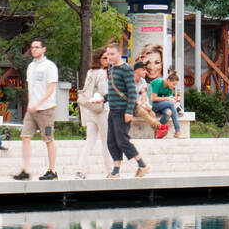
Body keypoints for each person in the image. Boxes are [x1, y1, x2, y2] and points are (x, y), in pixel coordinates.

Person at [14, 37, 59, 180]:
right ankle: (25, 170)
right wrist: (29, 104)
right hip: (31, 109)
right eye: (32, 47)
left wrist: (38, 104)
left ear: (43, 49)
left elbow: (50, 89)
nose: (34, 50)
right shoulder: (31, 67)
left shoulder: (49, 66)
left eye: (37, 47)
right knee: (25, 136)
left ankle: (52, 170)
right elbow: (30, 87)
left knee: (48, 139)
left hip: (45, 110)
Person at [104, 41, 149, 177]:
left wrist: (129, 111)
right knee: (111, 141)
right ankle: (116, 170)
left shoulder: (126, 69)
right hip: (113, 110)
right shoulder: (111, 69)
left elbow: (131, 92)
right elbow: (114, 90)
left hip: (123, 111)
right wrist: (103, 98)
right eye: (108, 54)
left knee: (122, 140)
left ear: (120, 54)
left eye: (112, 54)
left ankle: (142, 164)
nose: (110, 57)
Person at [76, 50, 110, 178]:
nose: (108, 60)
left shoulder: (90, 72)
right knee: (106, 142)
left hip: (90, 110)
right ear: (99, 59)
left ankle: (81, 170)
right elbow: (103, 91)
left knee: (89, 142)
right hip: (101, 110)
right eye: (105, 58)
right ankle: (109, 170)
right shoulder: (102, 73)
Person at [148, 69, 184, 139]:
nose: (174, 87)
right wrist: (168, 99)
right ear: (168, 80)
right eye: (173, 84)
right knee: (170, 103)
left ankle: (158, 129)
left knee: (169, 112)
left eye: (175, 85)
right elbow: (153, 98)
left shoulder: (170, 88)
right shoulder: (158, 82)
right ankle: (178, 131)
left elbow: (168, 102)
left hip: (160, 105)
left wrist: (173, 100)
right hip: (150, 105)